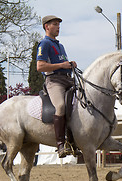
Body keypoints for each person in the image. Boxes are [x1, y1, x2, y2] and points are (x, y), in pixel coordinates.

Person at [36, 15, 77, 158]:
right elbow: (40, 66)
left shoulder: (60, 46)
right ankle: (60, 144)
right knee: (60, 106)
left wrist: (70, 65)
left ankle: (74, 140)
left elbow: (63, 63)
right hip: (54, 81)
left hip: (68, 80)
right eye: (55, 24)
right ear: (47, 27)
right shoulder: (44, 44)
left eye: (59, 24)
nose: (58, 27)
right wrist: (61, 65)